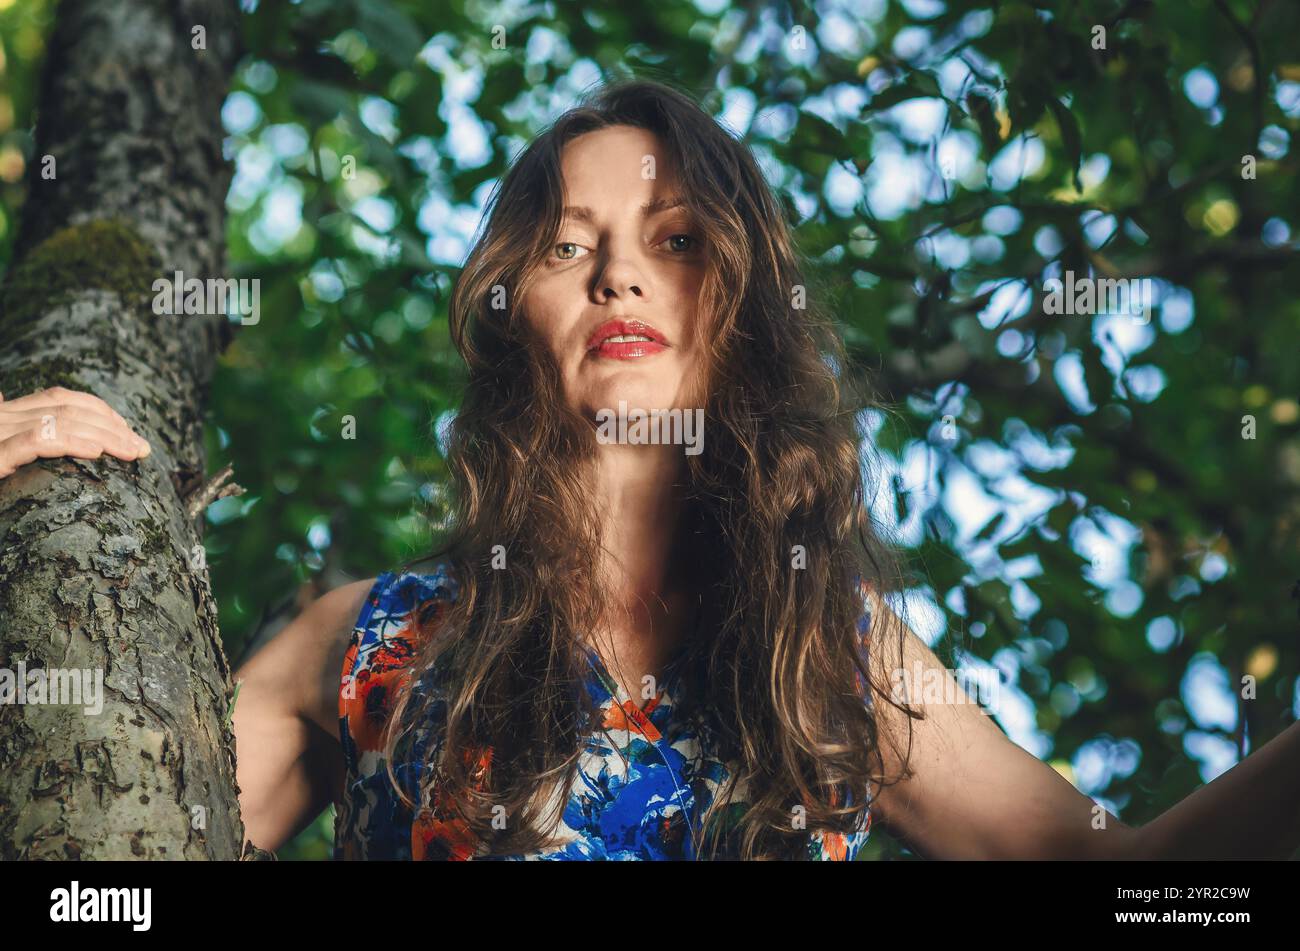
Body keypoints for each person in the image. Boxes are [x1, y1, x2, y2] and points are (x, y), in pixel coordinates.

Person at [3, 80, 1297, 860]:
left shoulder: (830, 656)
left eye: (673, 239)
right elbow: (91, 871)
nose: (621, 273)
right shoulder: (376, 639)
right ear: (515, 310)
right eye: (571, 247)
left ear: (735, 303)